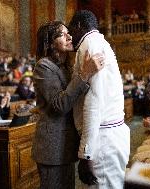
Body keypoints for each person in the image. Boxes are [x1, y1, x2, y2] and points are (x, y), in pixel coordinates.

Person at [32, 21, 105, 189]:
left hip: (65, 145)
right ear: (50, 44)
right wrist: (85, 73)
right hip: (52, 148)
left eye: (68, 33)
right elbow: (60, 105)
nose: (69, 36)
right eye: (61, 34)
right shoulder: (43, 66)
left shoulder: (65, 67)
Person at [68, 10, 130, 188]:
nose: (70, 35)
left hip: (103, 139)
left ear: (79, 25)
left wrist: (86, 153)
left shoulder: (89, 44)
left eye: (71, 29)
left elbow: (93, 101)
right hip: (108, 134)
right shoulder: (98, 42)